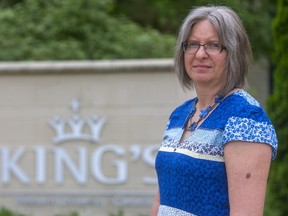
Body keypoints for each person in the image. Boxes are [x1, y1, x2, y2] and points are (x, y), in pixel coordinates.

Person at [151, 5, 278, 216]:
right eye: (192, 44)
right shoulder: (179, 115)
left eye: (213, 45)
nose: (200, 54)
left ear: (234, 53)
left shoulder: (245, 119)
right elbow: (161, 199)